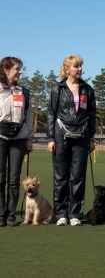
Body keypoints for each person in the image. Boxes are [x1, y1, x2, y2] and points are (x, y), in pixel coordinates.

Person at [47, 55, 96, 226]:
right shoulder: (57, 89)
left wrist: (91, 137)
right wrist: (51, 138)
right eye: (76, 66)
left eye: (81, 66)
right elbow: (51, 114)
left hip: (82, 136)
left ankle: (75, 213)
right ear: (67, 69)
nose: (80, 69)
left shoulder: (87, 89)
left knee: (78, 176)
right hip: (61, 135)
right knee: (61, 176)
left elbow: (91, 115)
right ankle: (61, 213)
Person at [0, 57, 34, 227]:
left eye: (20, 69)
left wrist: (29, 139)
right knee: (0, 178)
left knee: (14, 180)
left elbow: (29, 117)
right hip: (0, 139)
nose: (20, 72)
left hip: (19, 140)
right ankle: (0, 214)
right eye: (17, 69)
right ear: (6, 70)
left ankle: (11, 215)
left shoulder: (24, 92)